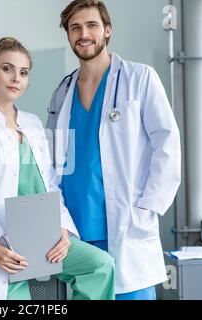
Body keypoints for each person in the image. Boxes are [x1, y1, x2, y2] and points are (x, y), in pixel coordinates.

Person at [0, 37, 115, 300]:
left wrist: (63, 228)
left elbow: (50, 185)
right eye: (6, 69)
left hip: (41, 238)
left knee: (100, 266)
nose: (15, 78)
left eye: (23, 72)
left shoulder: (32, 125)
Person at [46, 0, 181, 300]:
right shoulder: (62, 93)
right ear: (68, 35)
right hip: (76, 231)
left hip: (126, 226)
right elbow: (52, 164)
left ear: (107, 30)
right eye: (75, 27)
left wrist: (148, 206)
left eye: (92, 25)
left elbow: (167, 143)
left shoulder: (140, 79)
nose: (84, 34)